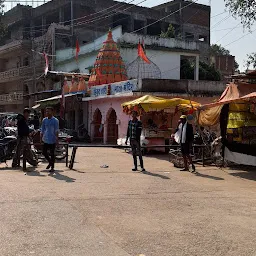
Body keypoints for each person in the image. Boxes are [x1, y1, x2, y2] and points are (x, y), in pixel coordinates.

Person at [41, 107, 59, 172]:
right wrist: (41, 136)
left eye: (48, 111)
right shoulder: (44, 120)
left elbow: (56, 130)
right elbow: (42, 129)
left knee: (52, 153)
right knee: (44, 152)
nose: (47, 113)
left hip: (52, 139)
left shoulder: (55, 120)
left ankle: (52, 167)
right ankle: (50, 162)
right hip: (46, 138)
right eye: (46, 111)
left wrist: (57, 139)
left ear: (52, 112)